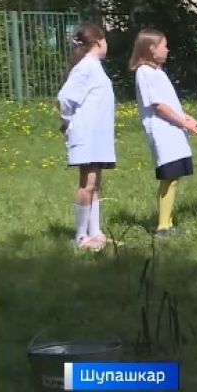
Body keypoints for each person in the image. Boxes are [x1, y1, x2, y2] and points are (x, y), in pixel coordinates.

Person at [131, 29, 197, 237]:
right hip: (163, 132)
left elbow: (169, 103)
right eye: (164, 45)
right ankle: (163, 226)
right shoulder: (144, 73)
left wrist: (186, 117)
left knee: (174, 177)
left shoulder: (158, 72)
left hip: (173, 130)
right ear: (152, 49)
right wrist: (182, 122)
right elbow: (159, 106)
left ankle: (168, 222)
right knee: (169, 178)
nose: (168, 49)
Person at [57, 23, 116, 251]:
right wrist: (70, 122)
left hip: (98, 136)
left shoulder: (95, 67)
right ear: (98, 42)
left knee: (95, 185)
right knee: (87, 184)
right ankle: (81, 237)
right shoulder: (86, 67)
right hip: (86, 135)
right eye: (105, 40)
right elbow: (65, 99)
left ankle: (96, 232)